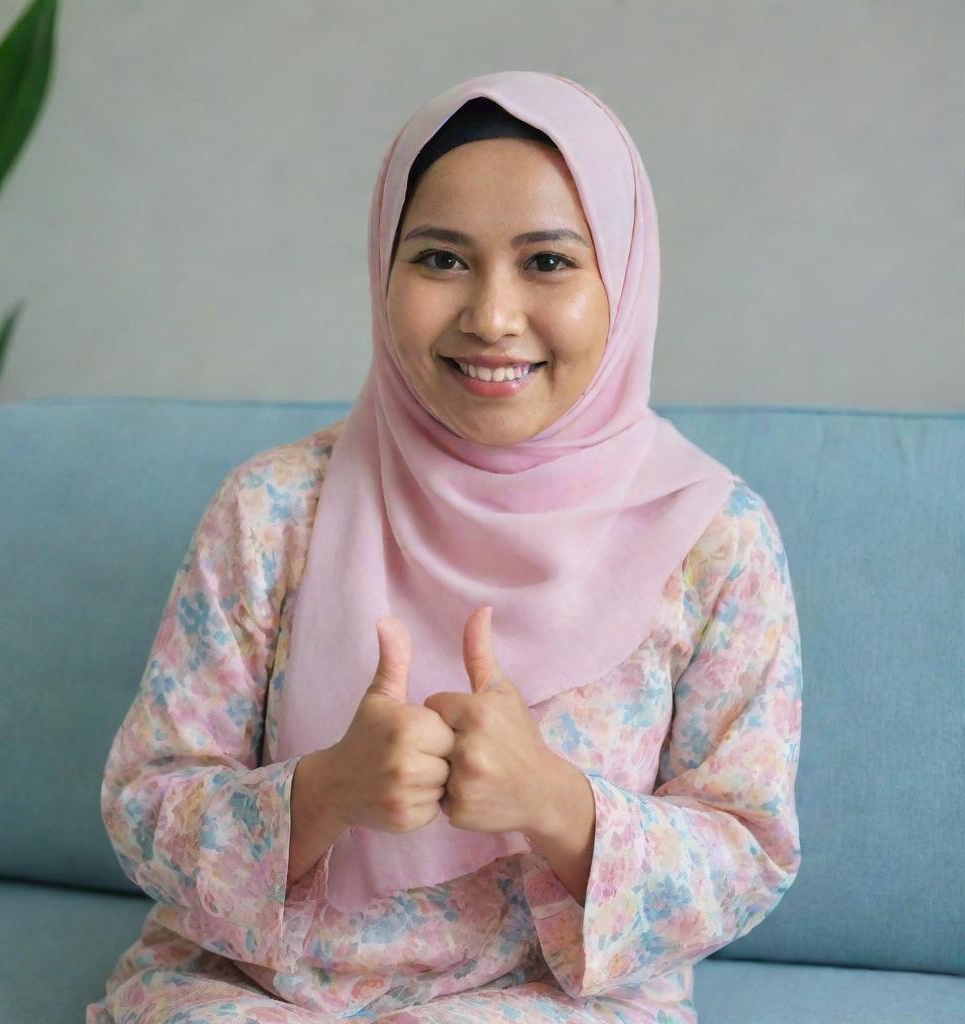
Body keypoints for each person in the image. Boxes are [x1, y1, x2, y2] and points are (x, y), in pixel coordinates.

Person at [86, 71, 803, 1024]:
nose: (492, 317)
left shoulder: (715, 540)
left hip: (546, 1006)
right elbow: (145, 803)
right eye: (440, 259)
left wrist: (557, 803)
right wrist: (325, 791)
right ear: (383, 269)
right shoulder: (271, 512)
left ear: (622, 280)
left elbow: (749, 849)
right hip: (249, 996)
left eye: (547, 262)